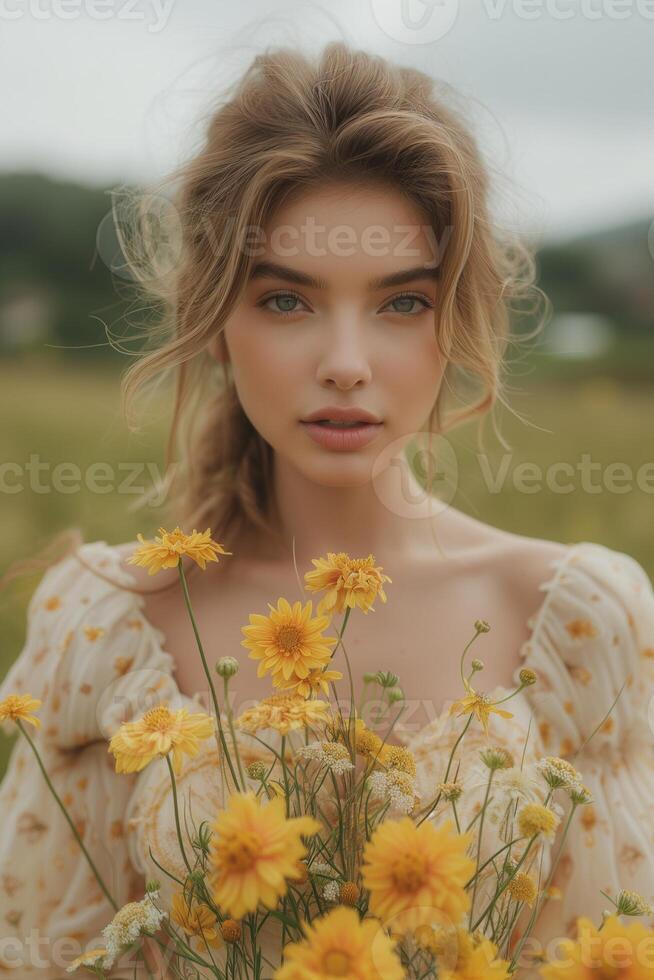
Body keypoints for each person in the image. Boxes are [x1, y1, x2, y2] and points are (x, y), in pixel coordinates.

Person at [1, 40, 653, 978]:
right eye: (287, 300)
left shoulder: (576, 619)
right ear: (215, 321)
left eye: (400, 305)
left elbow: (609, 949)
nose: (346, 361)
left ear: (454, 324)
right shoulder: (106, 621)